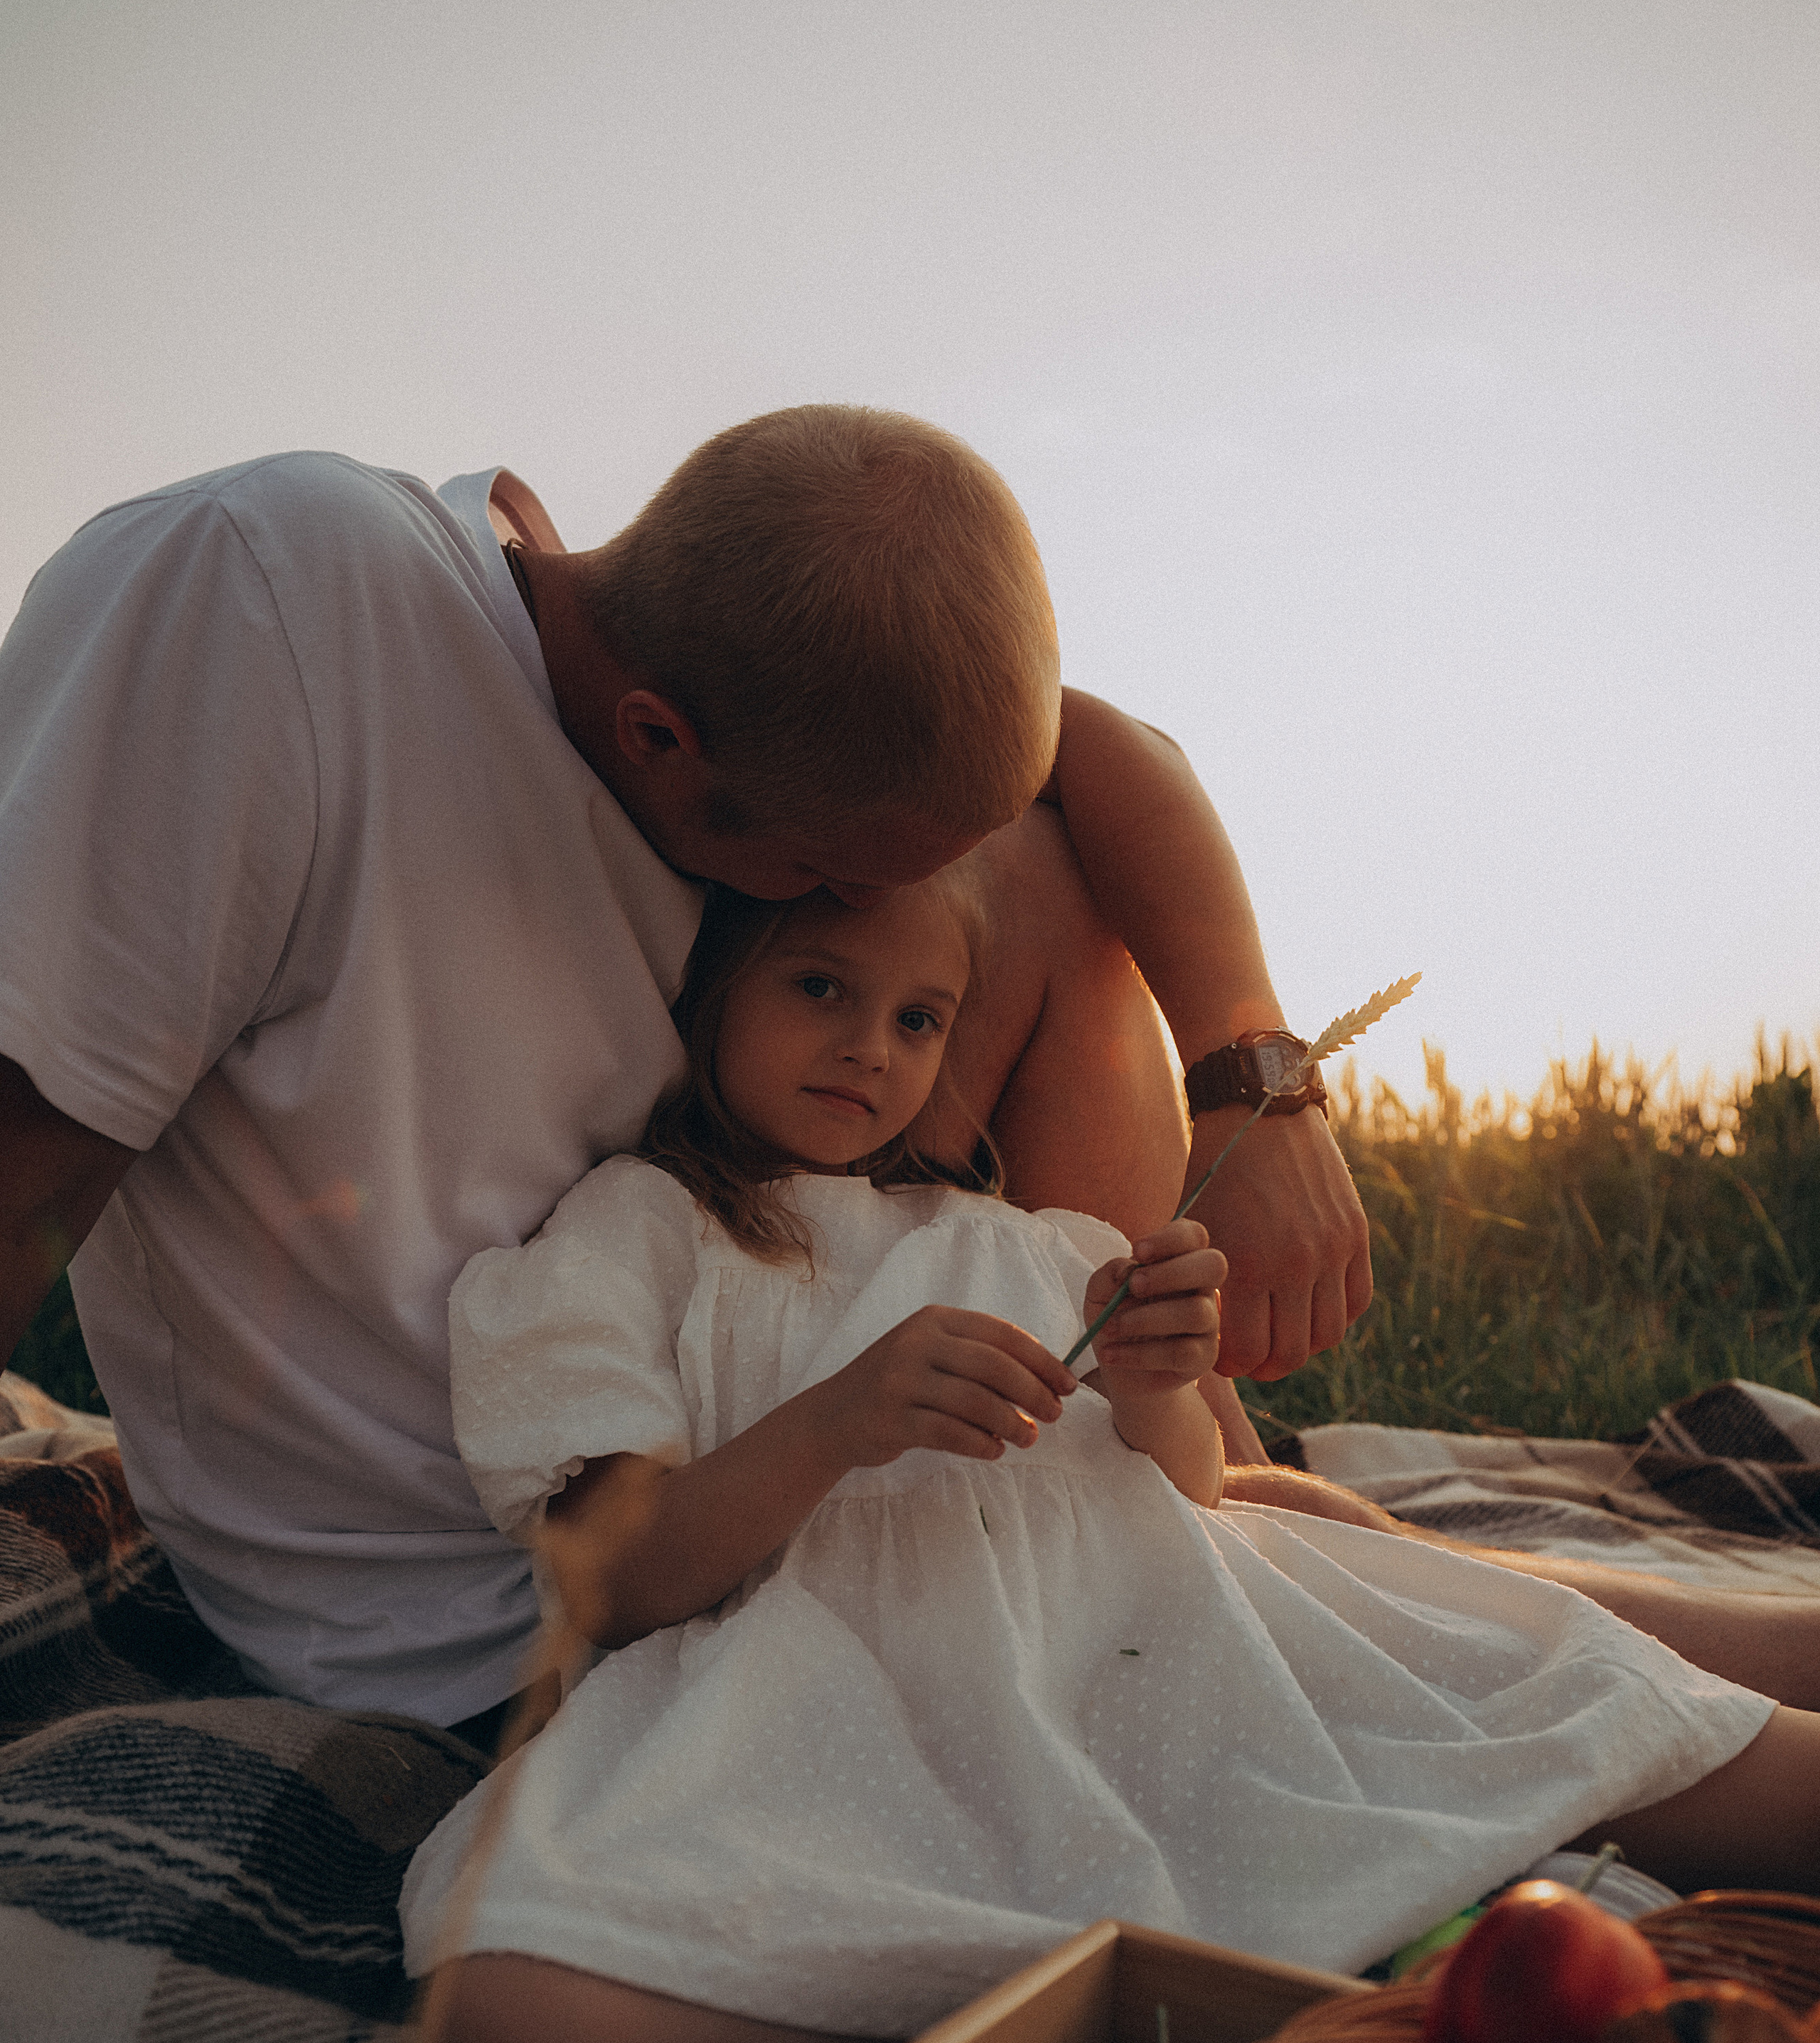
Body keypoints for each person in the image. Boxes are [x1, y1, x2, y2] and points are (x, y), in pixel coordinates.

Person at [402, 877, 1820, 2043]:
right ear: (707, 987)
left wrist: (1153, 1381)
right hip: (831, 1695)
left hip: (1153, 1635)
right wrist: (832, 1421)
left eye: (916, 1018)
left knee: (1566, 1698)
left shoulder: (1013, 1231)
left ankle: (1195, 2018)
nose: (869, 1050)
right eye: (818, 988)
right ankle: (1132, 2038)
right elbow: (617, 1577)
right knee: (509, 2030)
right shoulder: (642, 1226)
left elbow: (1188, 1485)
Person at [0, 407, 1371, 1733]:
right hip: (511, 1584)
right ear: (657, 737)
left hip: (785, 1423)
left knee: (1036, 869)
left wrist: (1262, 1080)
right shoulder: (273, 592)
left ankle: (1206, 1485)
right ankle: (1222, 1537)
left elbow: (1100, 753)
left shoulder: (692, 670)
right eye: (822, 879)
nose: (835, 899)